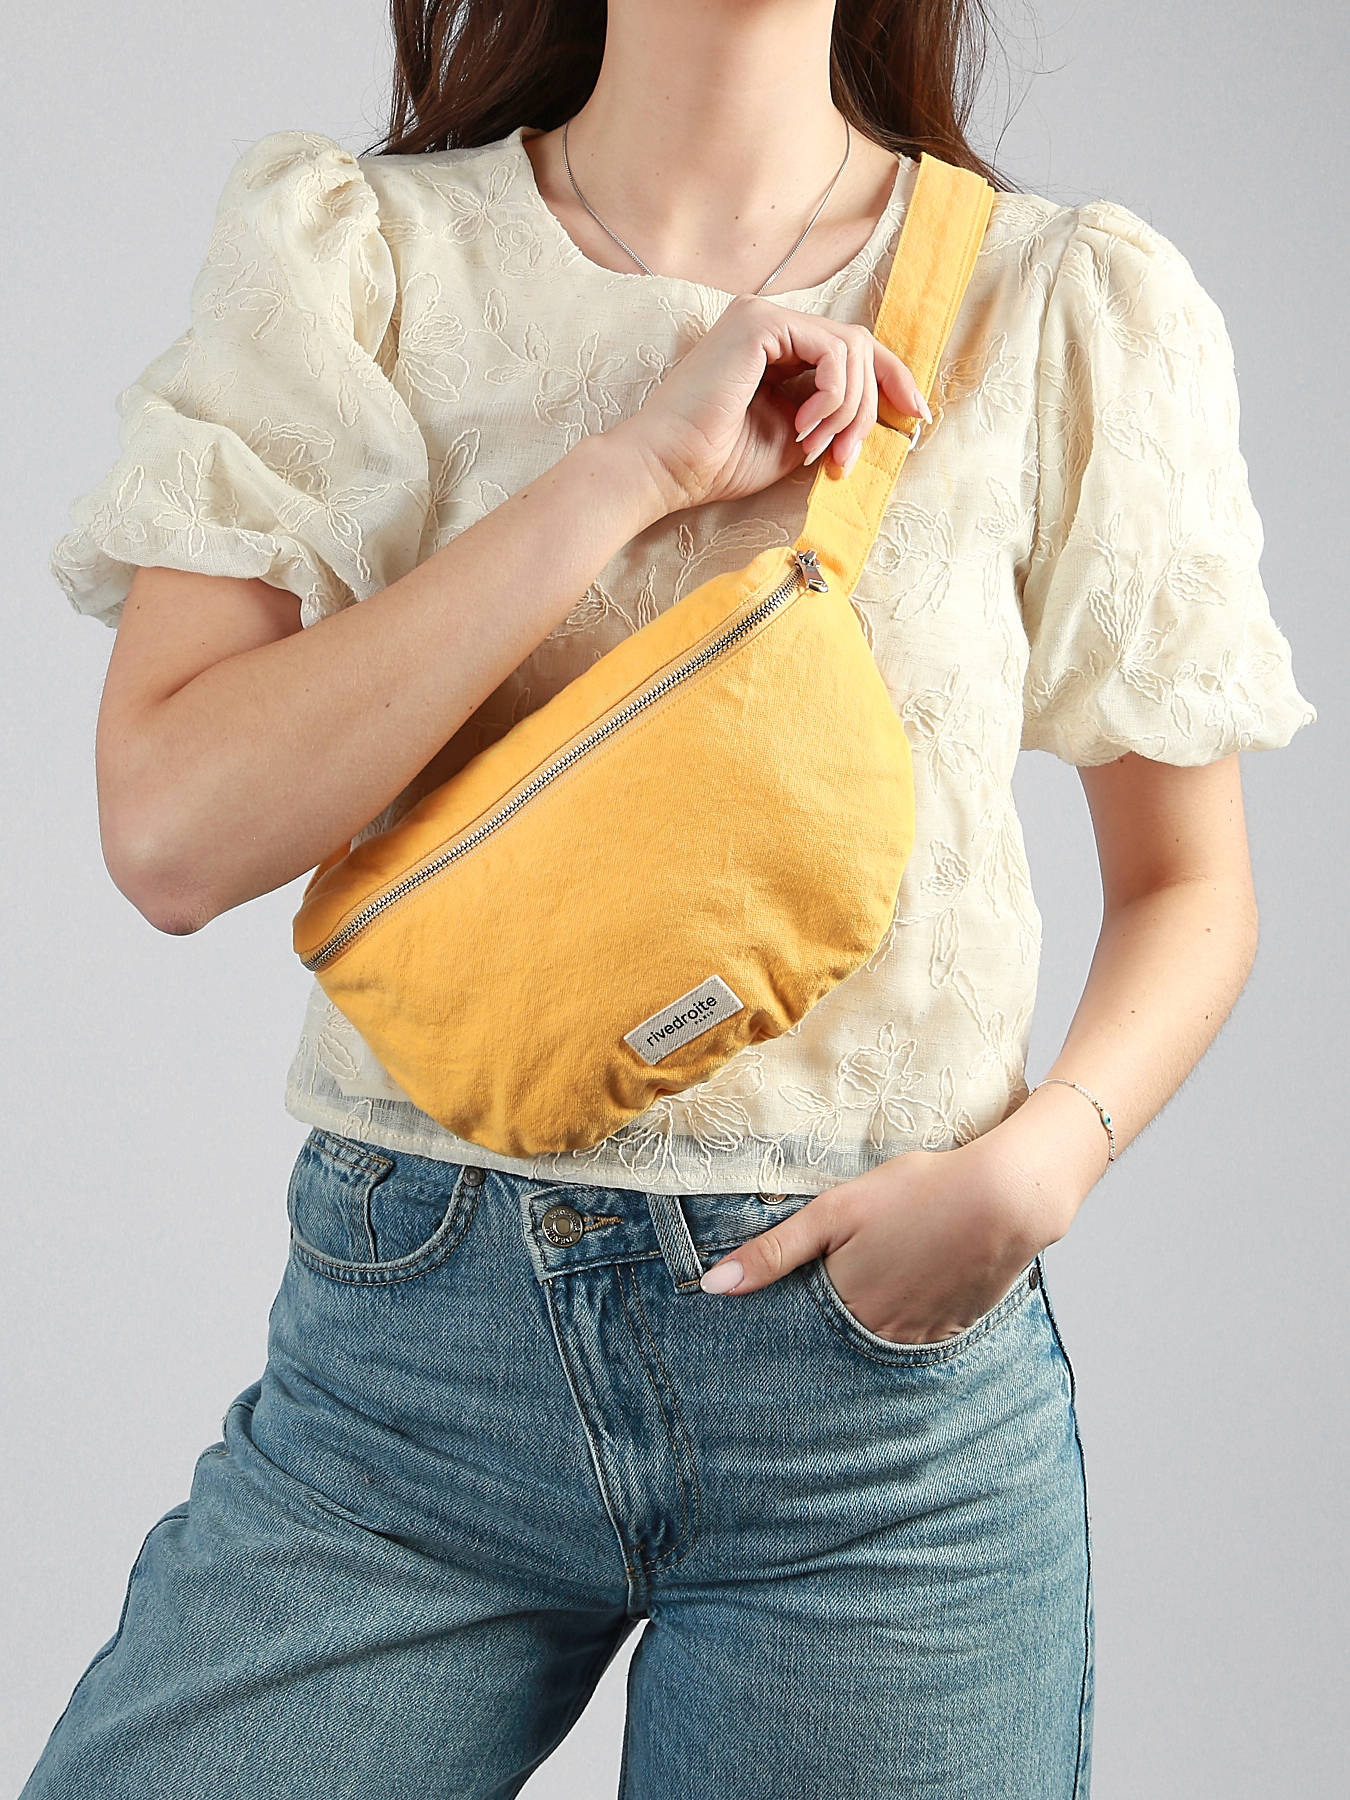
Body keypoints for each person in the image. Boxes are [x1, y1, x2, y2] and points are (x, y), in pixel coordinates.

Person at [24, 1, 1317, 1796]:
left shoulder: (1056, 302)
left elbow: (1187, 882)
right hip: (411, 1373)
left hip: (875, 1421)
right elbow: (172, 835)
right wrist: (625, 471)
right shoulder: (360, 259)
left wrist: (1042, 1166)